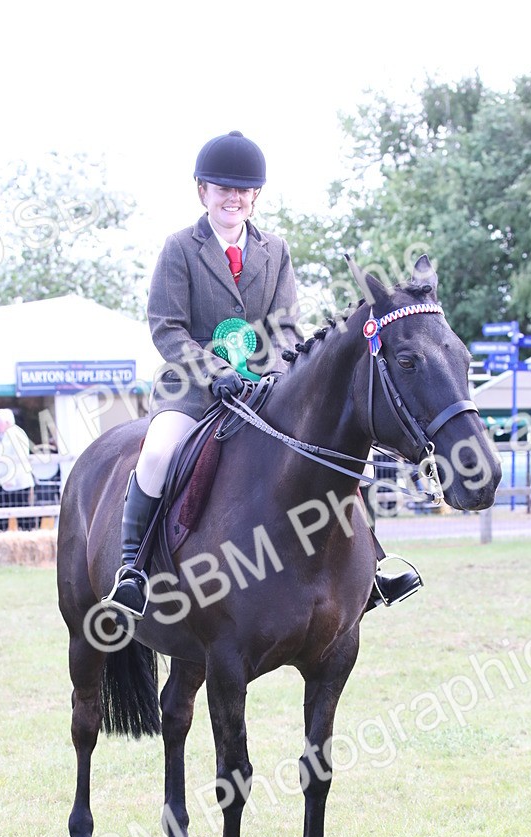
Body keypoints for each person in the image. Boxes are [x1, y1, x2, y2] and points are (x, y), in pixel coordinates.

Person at [104, 130, 421, 620]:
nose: (233, 198)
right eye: (222, 188)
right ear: (203, 192)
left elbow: (286, 327)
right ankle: (133, 570)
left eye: (243, 190)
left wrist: (276, 375)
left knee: (338, 459)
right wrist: (214, 371)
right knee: (158, 455)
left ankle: (371, 567)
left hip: (263, 390)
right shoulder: (180, 248)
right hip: (192, 391)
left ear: (255, 196)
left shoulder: (275, 250)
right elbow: (167, 328)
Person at [0, 409, 34, 531]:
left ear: (7, 422)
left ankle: (27, 535)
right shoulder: (5, 436)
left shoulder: (15, 434)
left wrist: (12, 478)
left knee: (22, 513)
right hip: (5, 481)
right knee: (2, 512)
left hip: (16, 482)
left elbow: (20, 457)